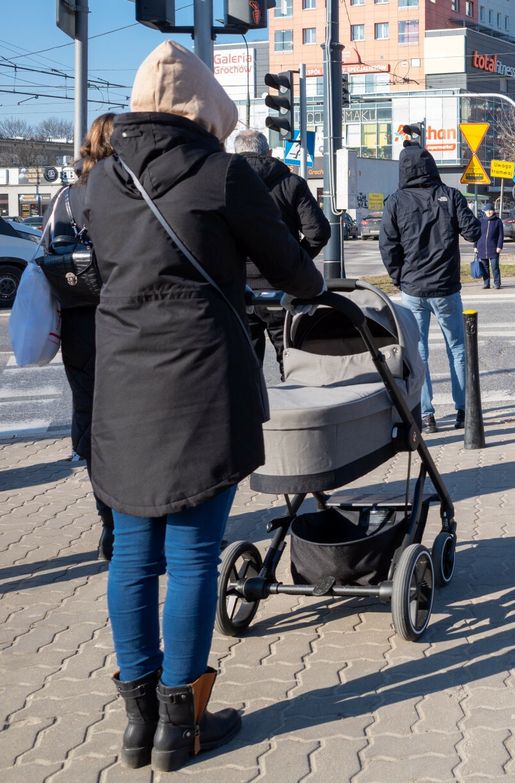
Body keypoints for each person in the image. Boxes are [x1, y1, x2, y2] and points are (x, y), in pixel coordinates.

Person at [84, 41, 325, 770]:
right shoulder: (223, 175)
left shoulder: (102, 181)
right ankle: (180, 725)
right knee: (191, 554)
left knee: (131, 552)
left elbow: (105, 272)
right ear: (202, 108)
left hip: (122, 386)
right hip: (201, 385)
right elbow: (300, 275)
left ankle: (136, 723)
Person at [42, 113, 116, 560]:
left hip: (77, 322)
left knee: (89, 415)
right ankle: (134, 518)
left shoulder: (64, 197)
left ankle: (107, 520)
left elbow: (49, 250)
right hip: (122, 317)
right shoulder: (126, 192)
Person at [380, 142, 480, 433]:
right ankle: (464, 411)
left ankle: (426, 415)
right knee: (458, 348)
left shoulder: (396, 201)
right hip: (446, 287)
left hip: (412, 288)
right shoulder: (449, 196)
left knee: (418, 351)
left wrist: (399, 277)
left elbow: (388, 246)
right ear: (432, 167)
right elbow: (474, 231)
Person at [232, 129, 329, 378]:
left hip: (239, 288)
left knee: (245, 367)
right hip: (283, 287)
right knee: (293, 360)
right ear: (269, 153)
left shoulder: (225, 184)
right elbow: (318, 232)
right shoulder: (291, 183)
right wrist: (295, 261)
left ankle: (254, 416)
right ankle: (297, 410)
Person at [475, 204, 505, 289]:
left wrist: (499, 246)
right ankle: (486, 283)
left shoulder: (498, 221)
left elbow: (501, 235)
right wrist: (475, 246)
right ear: (484, 211)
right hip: (481, 247)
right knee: (484, 267)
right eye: (487, 210)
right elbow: (476, 234)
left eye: (490, 210)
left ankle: (497, 283)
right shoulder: (480, 221)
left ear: (493, 211)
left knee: (494, 266)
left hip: (494, 248)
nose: (489, 212)